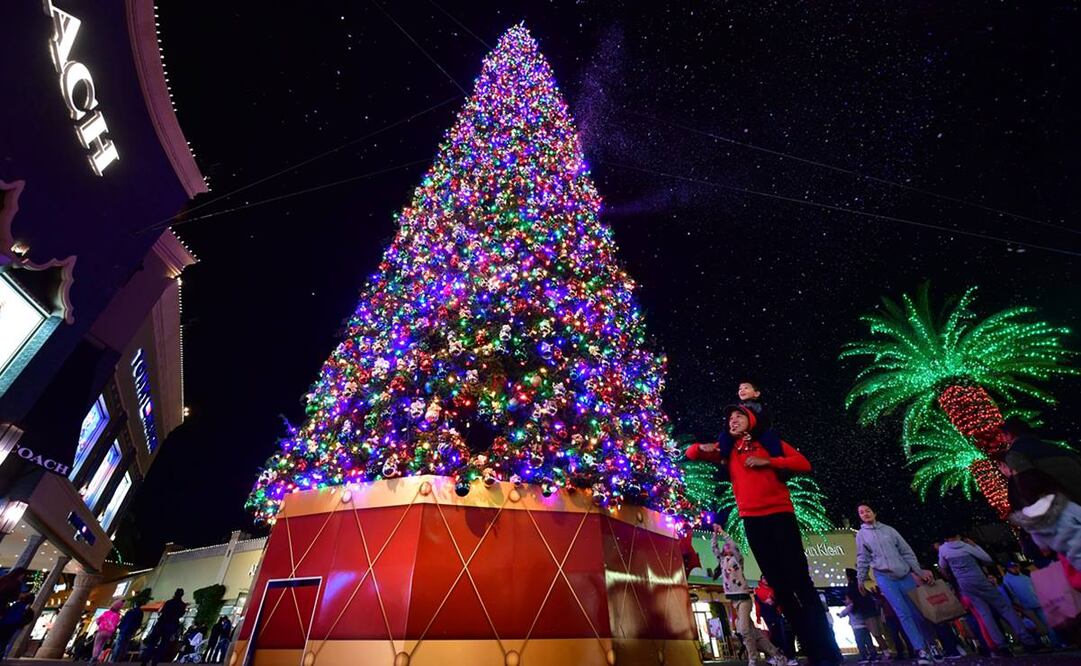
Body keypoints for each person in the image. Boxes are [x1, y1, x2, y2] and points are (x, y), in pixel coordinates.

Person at [687, 405, 841, 666]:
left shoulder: (768, 442)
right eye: (729, 418)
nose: (733, 420)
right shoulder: (728, 450)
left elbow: (803, 463)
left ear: (751, 420)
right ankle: (813, 652)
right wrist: (703, 448)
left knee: (800, 583)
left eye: (739, 416)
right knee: (780, 588)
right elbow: (691, 453)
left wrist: (767, 461)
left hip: (780, 515)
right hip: (752, 521)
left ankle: (828, 651)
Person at [854, 502, 939, 665]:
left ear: (874, 512)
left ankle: (932, 644)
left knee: (918, 613)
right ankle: (920, 649)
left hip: (905, 575)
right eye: (861, 512)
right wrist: (860, 578)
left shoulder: (889, 530)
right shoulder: (861, 535)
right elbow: (862, 558)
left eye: (868, 511)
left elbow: (907, 552)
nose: (865, 514)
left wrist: (919, 572)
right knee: (903, 614)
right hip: (885, 577)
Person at [937, 534, 1043, 656]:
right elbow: (987, 559)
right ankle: (1027, 641)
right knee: (1004, 608)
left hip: (965, 585)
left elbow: (943, 566)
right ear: (958, 536)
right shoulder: (966, 547)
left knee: (985, 614)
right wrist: (975, 546)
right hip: (980, 580)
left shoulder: (943, 549)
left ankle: (1001, 646)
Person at [711, 524, 786, 666]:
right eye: (725, 546)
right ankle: (777, 655)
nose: (727, 546)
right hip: (733, 600)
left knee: (744, 629)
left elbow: (733, 545)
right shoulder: (722, 561)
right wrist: (714, 534)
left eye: (728, 545)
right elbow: (714, 548)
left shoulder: (738, 560)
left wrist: (722, 532)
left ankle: (753, 658)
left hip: (744, 598)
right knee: (754, 633)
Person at [1000, 561, 1066, 648]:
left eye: (1015, 566)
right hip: (1024, 607)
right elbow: (1011, 594)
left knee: (1047, 623)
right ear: (1008, 569)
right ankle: (1042, 644)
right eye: (1012, 567)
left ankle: (1056, 643)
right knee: (1034, 626)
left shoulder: (1025, 577)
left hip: (1036, 603)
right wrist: (1018, 606)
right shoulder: (1006, 580)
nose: (1015, 568)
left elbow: (1035, 588)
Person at [844, 568, 891, 659]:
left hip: (868, 613)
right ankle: (886, 652)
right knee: (878, 633)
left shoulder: (853, 587)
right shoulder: (860, 585)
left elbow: (856, 600)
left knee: (876, 634)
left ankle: (886, 653)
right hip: (872, 611)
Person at [754, 577, 797, 665]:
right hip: (767, 615)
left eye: (766, 578)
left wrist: (776, 606)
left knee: (782, 636)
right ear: (761, 580)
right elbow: (757, 604)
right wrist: (758, 616)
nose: (765, 580)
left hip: (776, 615)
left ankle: (786, 657)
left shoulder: (773, 589)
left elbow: (778, 603)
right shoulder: (758, 590)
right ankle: (776, 657)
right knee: (773, 636)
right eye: (763, 578)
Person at [139, 588, 186, 666]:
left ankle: (145, 661)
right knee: (163, 645)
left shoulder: (169, 602)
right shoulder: (182, 605)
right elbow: (181, 615)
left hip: (161, 623)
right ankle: (155, 662)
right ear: (182, 595)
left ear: (175, 593)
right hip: (171, 626)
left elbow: (163, 611)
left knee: (152, 642)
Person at [838, 595, 877, 663]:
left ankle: (864, 657)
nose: (844, 601)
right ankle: (874, 656)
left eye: (846, 599)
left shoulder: (850, 606)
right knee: (869, 642)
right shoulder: (861, 605)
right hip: (865, 626)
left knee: (860, 642)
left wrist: (839, 614)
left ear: (851, 599)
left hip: (857, 627)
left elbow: (842, 614)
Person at [111, 598, 145, 662]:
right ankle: (121, 658)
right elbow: (138, 623)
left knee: (119, 644)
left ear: (135, 604)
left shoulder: (130, 611)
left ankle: (114, 659)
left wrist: (120, 627)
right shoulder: (140, 613)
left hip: (124, 629)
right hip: (131, 630)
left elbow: (124, 620)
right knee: (125, 644)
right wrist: (135, 629)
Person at [0, 592, 33, 657]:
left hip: (7, 624)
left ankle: (3, 654)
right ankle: (3, 654)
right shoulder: (22, 607)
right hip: (11, 625)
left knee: (4, 641)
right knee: (5, 641)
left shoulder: (18, 606)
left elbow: (8, 614)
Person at [91, 599, 125, 664]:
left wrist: (99, 624)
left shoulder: (106, 613)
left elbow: (98, 620)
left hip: (102, 630)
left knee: (97, 644)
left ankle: (94, 658)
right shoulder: (118, 616)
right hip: (109, 632)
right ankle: (97, 657)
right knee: (102, 644)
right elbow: (116, 624)